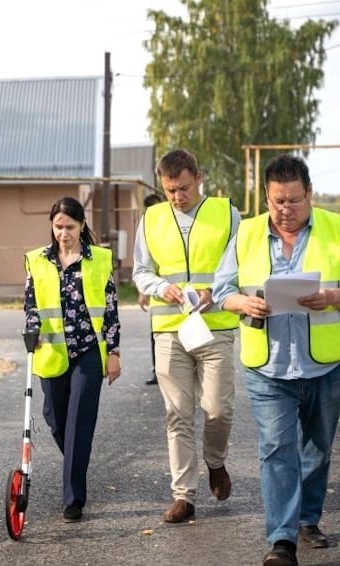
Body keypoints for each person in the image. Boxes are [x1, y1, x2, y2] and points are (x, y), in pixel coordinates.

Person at [212, 154, 340, 566]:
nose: (285, 210)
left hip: (326, 364)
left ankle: (308, 520)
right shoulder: (246, 233)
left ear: (310, 194)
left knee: (317, 449)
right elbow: (221, 291)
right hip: (267, 366)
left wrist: (333, 297)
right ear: (266, 197)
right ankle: (282, 539)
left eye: (294, 201)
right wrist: (242, 302)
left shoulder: (337, 229)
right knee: (276, 447)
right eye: (277, 202)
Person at [132, 149, 240, 524]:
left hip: (216, 326)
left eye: (182, 188)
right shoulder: (150, 219)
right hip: (169, 329)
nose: (176, 197)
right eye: (169, 190)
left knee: (218, 409)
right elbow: (141, 271)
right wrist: (161, 288)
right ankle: (184, 496)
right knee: (177, 413)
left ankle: (216, 462)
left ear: (199, 177)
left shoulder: (227, 214)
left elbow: (239, 265)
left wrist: (219, 292)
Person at [23, 196, 121, 523]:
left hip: (88, 352)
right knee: (54, 417)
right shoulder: (37, 260)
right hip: (51, 352)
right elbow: (31, 305)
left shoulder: (100, 260)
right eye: (58, 227)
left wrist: (114, 352)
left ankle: (73, 499)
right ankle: (75, 463)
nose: (63, 233)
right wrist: (32, 329)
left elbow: (110, 310)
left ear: (81, 225)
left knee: (79, 422)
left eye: (70, 227)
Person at [138, 192, 164, 386]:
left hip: (188, 296)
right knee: (156, 336)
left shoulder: (168, 226)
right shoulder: (147, 226)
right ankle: (158, 371)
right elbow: (146, 265)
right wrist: (143, 292)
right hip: (161, 298)